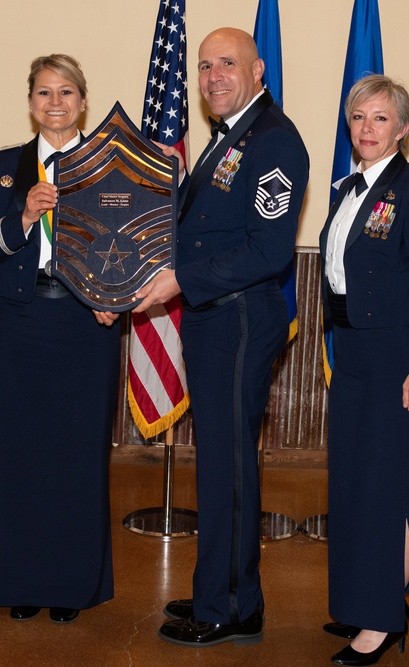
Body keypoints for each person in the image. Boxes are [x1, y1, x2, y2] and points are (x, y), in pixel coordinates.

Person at [129, 27, 309, 647]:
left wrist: (180, 279)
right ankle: (222, 590)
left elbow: (268, 249)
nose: (212, 77)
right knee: (219, 463)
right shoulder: (227, 140)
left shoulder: (274, 141)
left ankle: (231, 607)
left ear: (258, 69)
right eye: (204, 67)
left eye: (227, 64)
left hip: (237, 318)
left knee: (229, 466)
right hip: (215, 317)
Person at [0, 54, 121, 625]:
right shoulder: (3, 166)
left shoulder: (111, 168)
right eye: (43, 93)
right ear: (30, 102)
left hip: (87, 326)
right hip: (22, 323)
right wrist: (24, 218)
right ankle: (20, 580)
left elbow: (135, 246)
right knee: (19, 456)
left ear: (83, 101)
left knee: (76, 458)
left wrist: (117, 298)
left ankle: (71, 585)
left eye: (66, 93)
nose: (55, 103)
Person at [319, 74, 409, 666]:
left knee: (394, 488)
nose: (366, 129)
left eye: (379, 118)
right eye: (358, 117)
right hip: (352, 357)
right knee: (355, 486)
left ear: (402, 129)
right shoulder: (348, 189)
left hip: (399, 361)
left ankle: (382, 619)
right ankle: (360, 600)